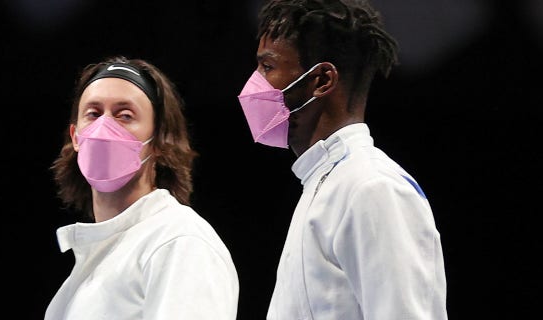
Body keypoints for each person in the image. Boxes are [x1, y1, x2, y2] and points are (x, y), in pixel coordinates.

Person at [236, 0, 448, 319]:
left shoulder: (372, 188)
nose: (255, 82)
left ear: (322, 80)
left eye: (268, 67)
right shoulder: (326, 184)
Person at [45, 55, 239, 319]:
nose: (104, 126)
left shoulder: (179, 243)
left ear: (159, 140)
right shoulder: (98, 263)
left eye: (125, 115)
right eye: (93, 113)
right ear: (75, 137)